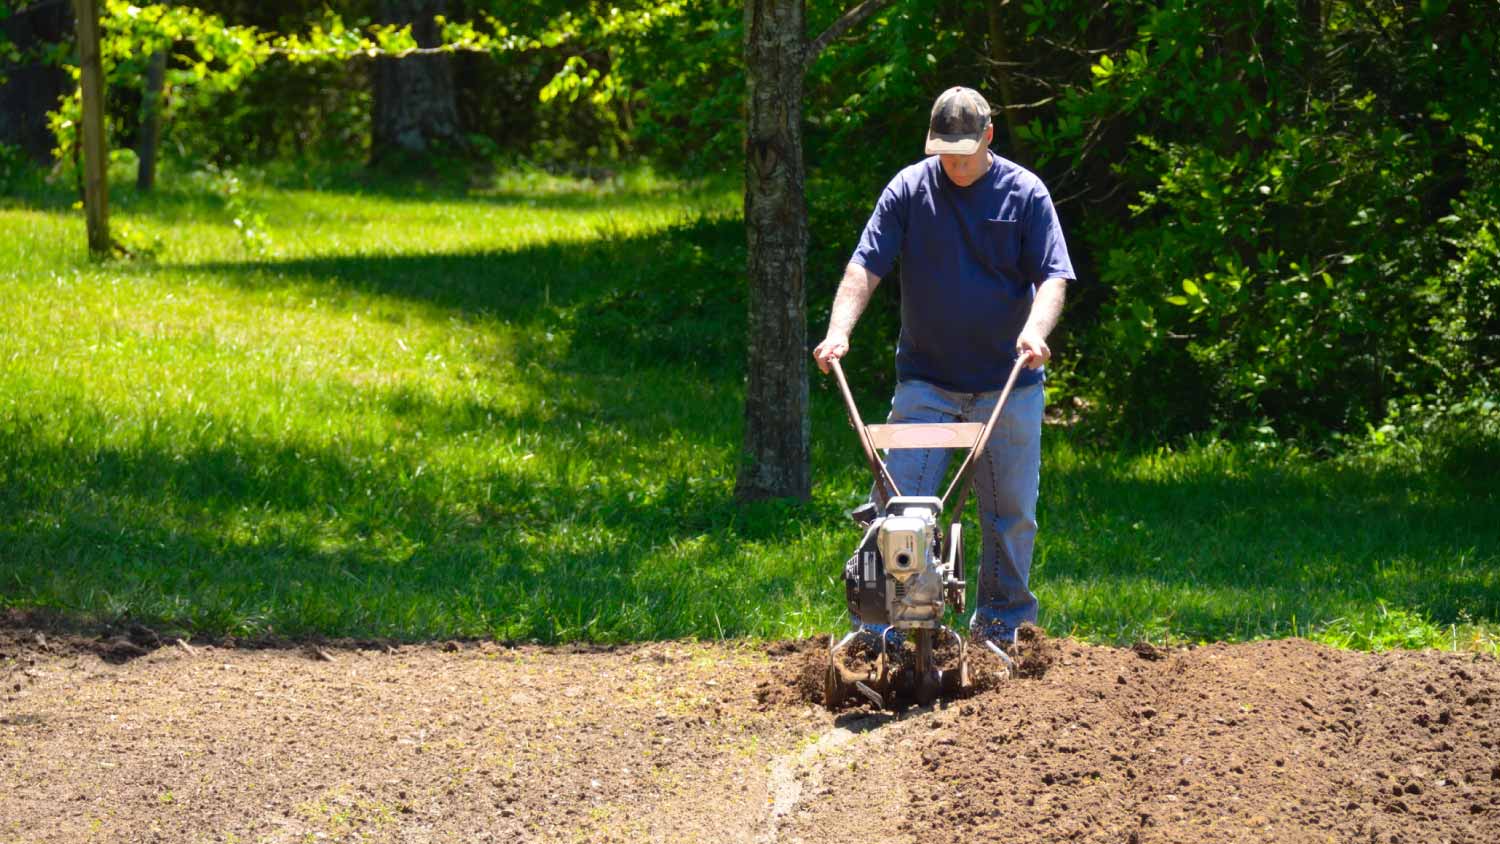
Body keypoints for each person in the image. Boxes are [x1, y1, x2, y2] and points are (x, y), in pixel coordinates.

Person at [812, 86, 1075, 648]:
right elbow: (865, 267)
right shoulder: (908, 190)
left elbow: (1053, 276)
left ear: (988, 137)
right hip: (927, 382)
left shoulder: (1024, 193)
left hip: (1008, 384)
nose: (953, 162)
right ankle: (879, 629)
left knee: (1010, 516)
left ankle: (1000, 628)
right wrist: (839, 331)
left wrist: (1035, 330)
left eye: (963, 150)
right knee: (898, 508)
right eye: (943, 151)